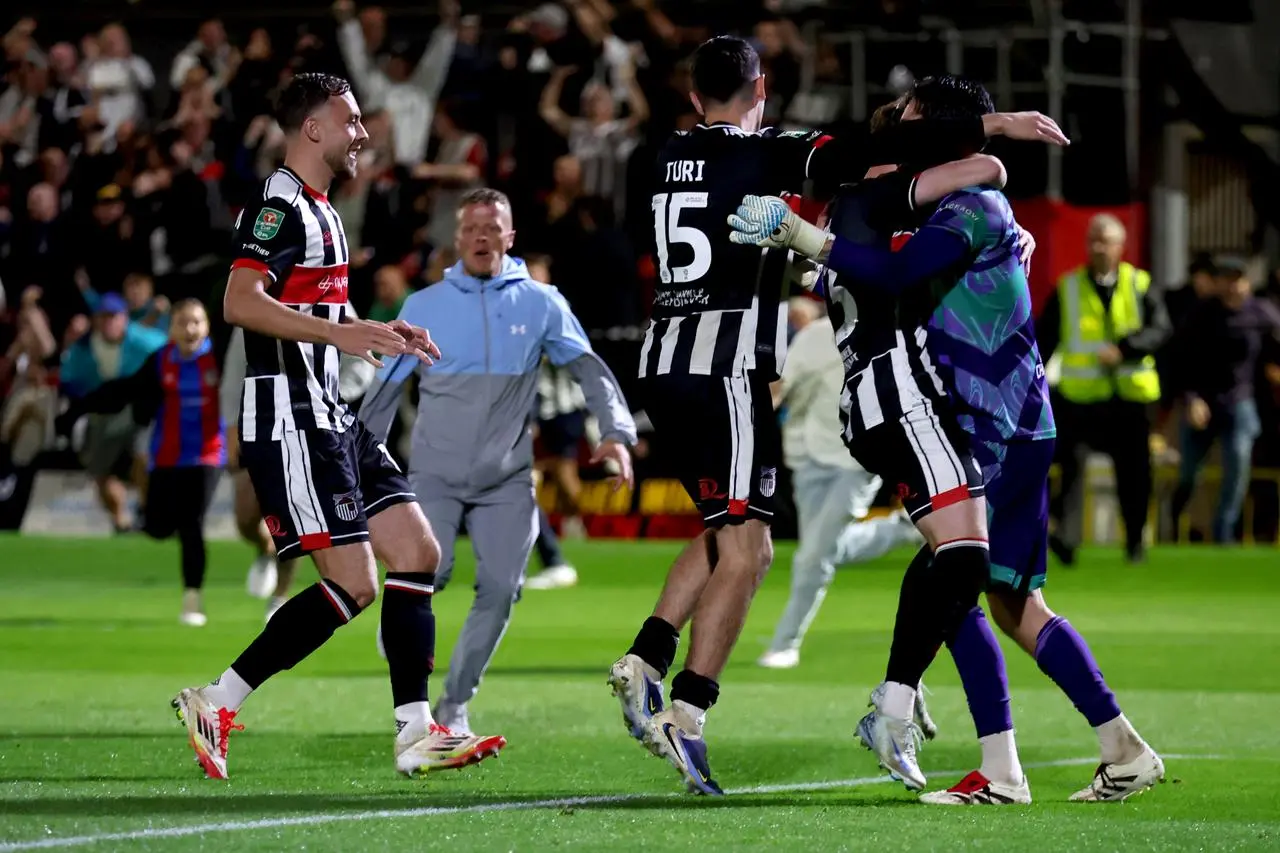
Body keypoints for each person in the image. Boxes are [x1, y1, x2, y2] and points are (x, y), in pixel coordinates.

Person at [610, 34, 1069, 796]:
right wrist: (996, 127)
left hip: (662, 360)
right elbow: (894, 156)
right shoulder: (782, 156)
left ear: (693, 98)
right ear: (761, 90)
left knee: (728, 529)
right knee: (753, 549)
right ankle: (688, 713)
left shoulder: (655, 156)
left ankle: (647, 658)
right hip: (730, 365)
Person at [732, 74, 1163, 805]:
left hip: (993, 422)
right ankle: (1123, 748)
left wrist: (807, 236)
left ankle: (990, 762)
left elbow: (901, 269)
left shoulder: (969, 208)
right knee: (1016, 603)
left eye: (913, 119)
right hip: (1013, 419)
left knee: (955, 575)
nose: (900, 131)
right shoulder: (958, 202)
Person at [170, 72, 505, 780]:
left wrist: (372, 330)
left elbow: (316, 316)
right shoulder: (278, 204)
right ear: (312, 129)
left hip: (332, 413)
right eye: (351, 120)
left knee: (417, 551)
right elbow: (238, 301)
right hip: (290, 415)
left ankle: (417, 732)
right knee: (353, 584)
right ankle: (217, 698)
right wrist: (342, 339)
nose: (363, 133)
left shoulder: (324, 210)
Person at [360, 187, 636, 736]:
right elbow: (386, 391)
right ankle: (410, 684)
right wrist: (362, 461)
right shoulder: (423, 306)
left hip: (507, 480)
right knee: (420, 581)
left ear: (511, 237)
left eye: (493, 227)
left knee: (502, 589)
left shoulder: (541, 302)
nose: (482, 236)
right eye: (471, 229)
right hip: (432, 477)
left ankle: (453, 705)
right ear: (457, 239)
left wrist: (617, 431)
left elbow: (588, 367)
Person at [758, 296, 921, 669]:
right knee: (824, 549)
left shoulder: (891, 333)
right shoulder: (814, 336)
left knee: (813, 555)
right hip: (806, 455)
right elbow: (780, 386)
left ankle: (786, 642)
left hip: (857, 460)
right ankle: (901, 531)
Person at [56, 300, 225, 626]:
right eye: (182, 323)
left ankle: (192, 599)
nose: (189, 329)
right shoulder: (161, 361)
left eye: (196, 323)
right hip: (165, 457)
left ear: (206, 327)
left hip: (207, 455)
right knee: (158, 528)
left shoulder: (218, 360)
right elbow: (125, 390)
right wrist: (78, 408)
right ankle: (148, 518)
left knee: (192, 524)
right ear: (171, 328)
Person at [219, 303, 378, 620]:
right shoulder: (261, 296)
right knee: (246, 517)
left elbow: (361, 361)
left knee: (297, 515)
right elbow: (236, 365)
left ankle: (281, 595)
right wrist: (230, 424)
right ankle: (265, 548)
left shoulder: (335, 298)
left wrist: (331, 397)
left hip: (313, 428)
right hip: (261, 422)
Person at [1038, 214, 1171, 564]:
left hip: (1130, 398)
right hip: (1081, 398)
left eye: (1106, 241)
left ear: (1120, 246)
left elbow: (1161, 330)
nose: (1098, 248)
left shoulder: (1139, 283)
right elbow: (1044, 338)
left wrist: (1126, 349)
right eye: (1093, 241)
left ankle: (1135, 541)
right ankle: (1066, 539)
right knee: (1071, 469)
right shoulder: (1068, 287)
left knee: (1135, 473)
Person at [1169, 260, 1280, 542]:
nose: (1233, 286)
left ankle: (1223, 532)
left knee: (1239, 464)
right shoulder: (1201, 314)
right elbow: (1180, 360)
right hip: (1202, 402)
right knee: (1189, 474)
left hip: (1240, 401)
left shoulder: (1262, 313)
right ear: (1218, 283)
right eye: (1227, 279)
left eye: (1238, 279)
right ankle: (1173, 519)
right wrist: (1191, 399)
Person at [59, 292, 168, 533]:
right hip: (101, 414)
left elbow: (171, 352)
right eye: (103, 317)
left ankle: (145, 509)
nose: (108, 322)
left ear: (124, 319)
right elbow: (68, 379)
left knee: (144, 456)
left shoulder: (145, 340)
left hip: (140, 412)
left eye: (114, 317)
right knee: (101, 472)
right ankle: (121, 522)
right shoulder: (84, 346)